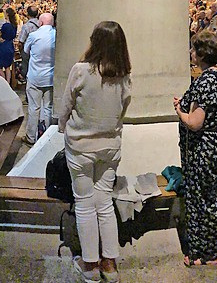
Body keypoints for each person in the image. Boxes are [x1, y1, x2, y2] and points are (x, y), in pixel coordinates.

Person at [57, 21, 131, 282]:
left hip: (80, 148)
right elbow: (122, 111)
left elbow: (65, 105)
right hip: (110, 147)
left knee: (85, 204)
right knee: (105, 204)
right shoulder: (123, 76)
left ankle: (90, 266)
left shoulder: (81, 71)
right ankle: (110, 265)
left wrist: (62, 126)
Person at [174, 30, 217, 267]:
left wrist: (179, 111)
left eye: (194, 49)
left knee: (199, 201)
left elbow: (195, 123)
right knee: (210, 198)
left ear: (202, 54)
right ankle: (212, 250)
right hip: (215, 143)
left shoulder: (205, 81)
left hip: (202, 148)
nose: (191, 53)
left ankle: (199, 254)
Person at [22, 13, 56, 144]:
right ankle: (46, 137)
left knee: (33, 108)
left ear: (40, 23)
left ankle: (30, 137)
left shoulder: (34, 35)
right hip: (51, 77)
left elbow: (26, 50)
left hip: (35, 76)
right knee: (48, 108)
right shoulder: (56, 35)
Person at [0, 8, 18, 87]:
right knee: (7, 67)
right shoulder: (14, 25)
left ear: (8, 14)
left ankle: (4, 83)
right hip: (10, 45)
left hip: (3, 46)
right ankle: (8, 84)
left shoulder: (5, 25)